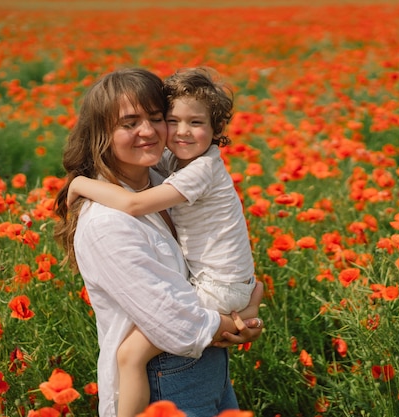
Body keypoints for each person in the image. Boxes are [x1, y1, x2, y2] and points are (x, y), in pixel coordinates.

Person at [53, 67, 263, 417]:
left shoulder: (160, 177)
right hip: (169, 377)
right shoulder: (107, 222)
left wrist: (238, 319)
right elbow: (174, 323)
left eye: (154, 117)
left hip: (207, 366)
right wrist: (238, 322)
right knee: (131, 356)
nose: (148, 131)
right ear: (100, 132)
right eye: (129, 123)